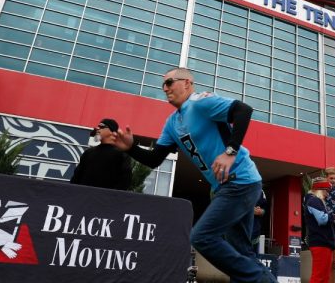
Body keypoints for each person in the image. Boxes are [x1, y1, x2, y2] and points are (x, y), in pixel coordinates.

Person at [113, 67, 276, 283]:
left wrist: (230, 151)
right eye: (163, 85)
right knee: (242, 254)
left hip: (241, 180)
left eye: (170, 82)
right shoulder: (172, 123)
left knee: (202, 237)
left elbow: (243, 110)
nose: (165, 88)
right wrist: (130, 148)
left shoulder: (201, 103)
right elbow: (154, 159)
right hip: (226, 187)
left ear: (187, 83)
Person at [70, 118, 131, 190]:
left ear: (113, 132)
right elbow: (76, 178)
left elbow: (125, 182)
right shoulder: (88, 152)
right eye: (98, 126)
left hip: (105, 199)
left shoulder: (121, 155)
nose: (97, 128)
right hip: (83, 197)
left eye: (102, 126)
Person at [304, 177, 335, 283]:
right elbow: (322, 219)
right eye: (327, 190)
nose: (328, 194)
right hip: (320, 243)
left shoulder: (314, 201)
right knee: (319, 276)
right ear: (320, 189)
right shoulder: (314, 200)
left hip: (323, 243)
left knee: (324, 276)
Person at [253, 189, 267, 254]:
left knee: (253, 257)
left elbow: (264, 210)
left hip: (254, 233)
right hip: (237, 232)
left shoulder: (260, 191)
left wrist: (260, 211)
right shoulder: (235, 186)